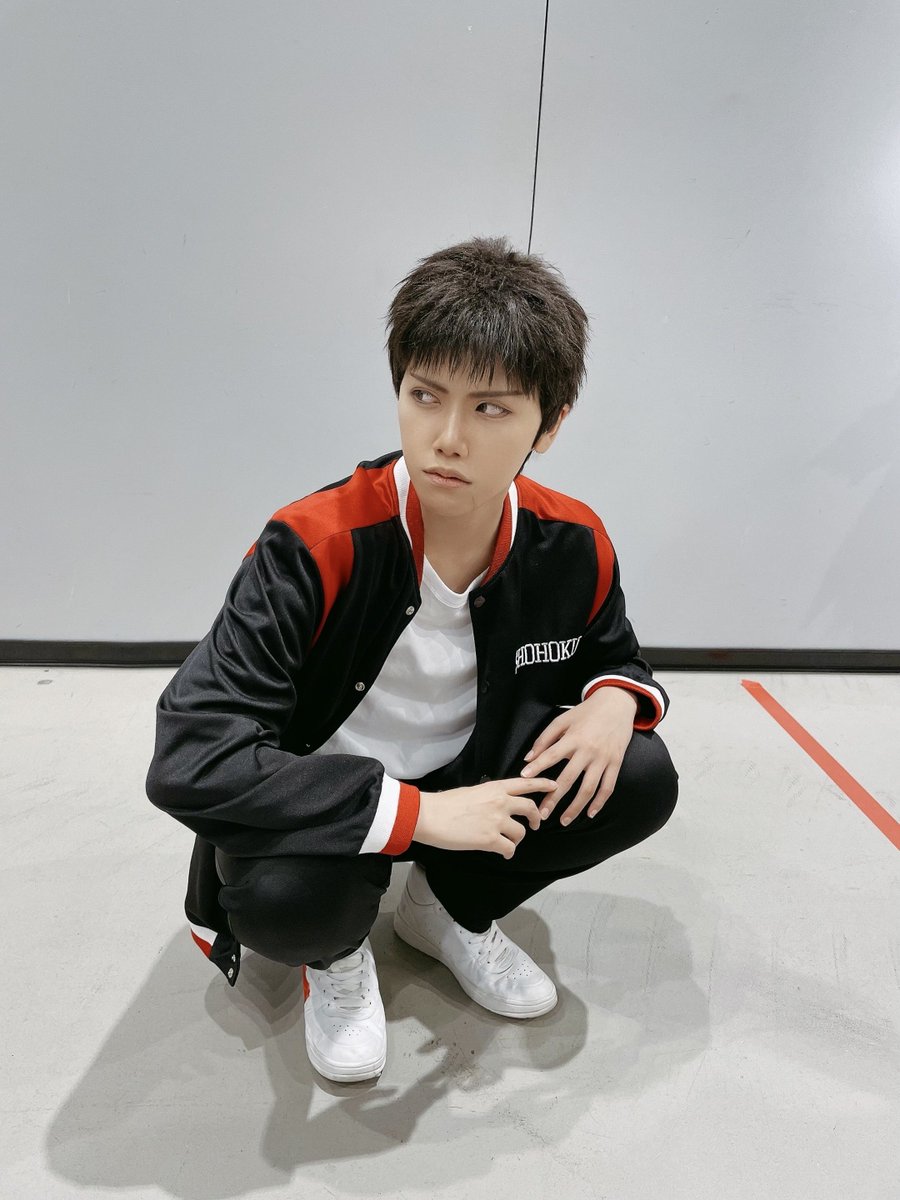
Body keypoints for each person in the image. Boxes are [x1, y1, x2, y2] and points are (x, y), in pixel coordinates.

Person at [145, 234, 678, 1084]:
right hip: (325, 797)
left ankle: (445, 910)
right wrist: (421, 818)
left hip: (469, 773)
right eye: (425, 396)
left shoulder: (572, 540)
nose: (447, 438)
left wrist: (615, 699)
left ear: (551, 423)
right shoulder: (313, 544)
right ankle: (338, 955)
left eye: (491, 409)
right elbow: (190, 756)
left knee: (639, 776)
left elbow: (615, 653)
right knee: (288, 903)